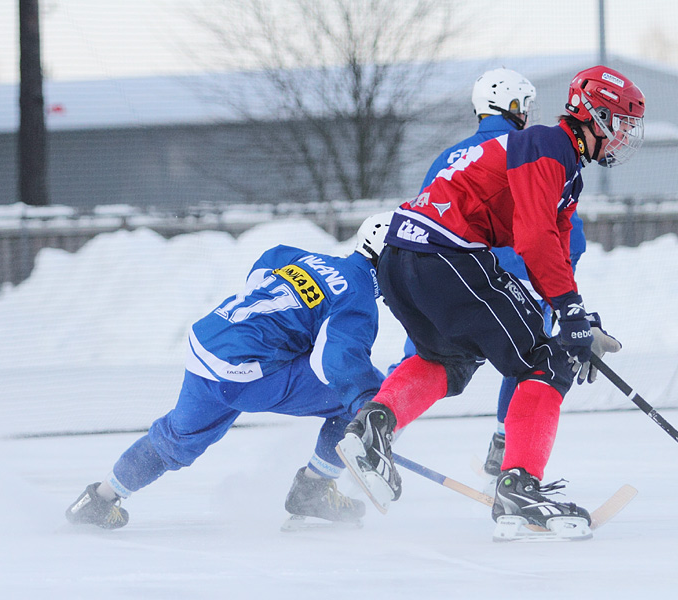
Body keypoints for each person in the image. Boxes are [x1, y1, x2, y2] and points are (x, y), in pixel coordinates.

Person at [337, 65, 645, 538]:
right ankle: (519, 490)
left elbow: (555, 249)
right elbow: (535, 238)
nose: (624, 137)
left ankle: (373, 428)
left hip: (401, 255)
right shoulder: (547, 148)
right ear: (596, 116)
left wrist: (574, 312)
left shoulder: (554, 161)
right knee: (548, 360)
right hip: (448, 253)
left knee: (449, 358)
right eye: (621, 123)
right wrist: (567, 325)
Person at [65, 213, 393, 530]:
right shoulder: (357, 295)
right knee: (374, 398)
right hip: (247, 373)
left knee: (176, 440)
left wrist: (272, 327)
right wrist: (367, 415)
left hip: (206, 348)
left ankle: (99, 500)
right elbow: (339, 363)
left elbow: (271, 258)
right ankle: (315, 488)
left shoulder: (309, 259)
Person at [387, 68, 588, 480]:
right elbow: (562, 237)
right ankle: (508, 456)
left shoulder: (451, 155)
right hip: (504, 278)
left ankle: (378, 433)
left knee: (431, 357)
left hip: (432, 270)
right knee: (534, 360)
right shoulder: (529, 146)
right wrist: (567, 301)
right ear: (515, 107)